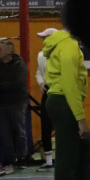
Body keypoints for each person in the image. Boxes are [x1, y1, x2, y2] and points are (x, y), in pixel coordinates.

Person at [43, 29, 90, 180]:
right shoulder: (68, 46)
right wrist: (80, 119)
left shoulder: (66, 45)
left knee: (81, 155)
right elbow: (69, 85)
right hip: (64, 101)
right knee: (67, 159)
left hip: (63, 100)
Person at [0, 40, 30, 176]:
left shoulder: (19, 65)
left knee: (19, 129)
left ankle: (22, 158)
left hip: (17, 101)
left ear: (9, 51)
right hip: (1, 102)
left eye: (0, 49)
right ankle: (9, 160)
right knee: (4, 132)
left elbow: (19, 82)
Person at [34, 28, 57, 170]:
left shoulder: (62, 54)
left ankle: (66, 158)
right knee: (45, 127)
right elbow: (38, 72)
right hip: (47, 93)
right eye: (43, 38)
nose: (43, 41)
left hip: (61, 93)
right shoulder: (41, 55)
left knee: (63, 127)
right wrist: (41, 82)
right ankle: (48, 161)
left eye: (45, 38)